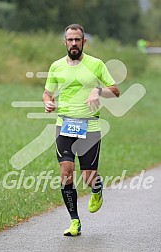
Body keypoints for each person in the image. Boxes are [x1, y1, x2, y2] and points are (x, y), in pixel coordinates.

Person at [42, 24, 119, 236]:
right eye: (70, 40)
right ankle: (74, 221)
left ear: (84, 42)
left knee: (88, 176)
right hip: (64, 125)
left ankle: (96, 188)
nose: (74, 43)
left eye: (78, 40)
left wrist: (98, 90)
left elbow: (115, 91)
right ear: (64, 42)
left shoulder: (96, 65)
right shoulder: (56, 66)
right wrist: (48, 102)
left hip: (90, 126)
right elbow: (47, 93)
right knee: (66, 173)